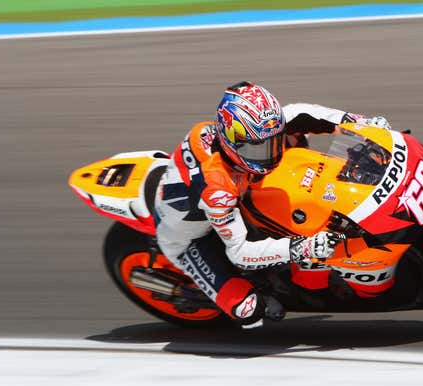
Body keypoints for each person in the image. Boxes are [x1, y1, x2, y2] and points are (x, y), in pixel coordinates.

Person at [154, 81, 391, 328]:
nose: (270, 155)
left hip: (232, 198)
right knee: (248, 311)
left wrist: (360, 123)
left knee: (295, 136)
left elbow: (300, 112)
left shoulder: (253, 130)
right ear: (230, 143)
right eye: (259, 150)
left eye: (274, 142)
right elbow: (241, 252)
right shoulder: (218, 187)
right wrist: (304, 248)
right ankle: (203, 292)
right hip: (190, 240)